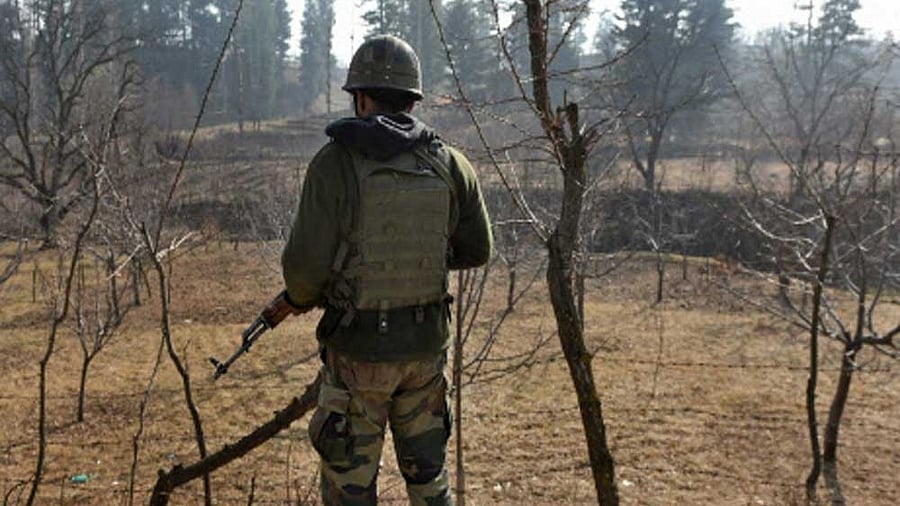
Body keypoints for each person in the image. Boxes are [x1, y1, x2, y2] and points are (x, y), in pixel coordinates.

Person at [278, 34, 493, 506]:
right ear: (412, 100)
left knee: (349, 492)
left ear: (360, 97)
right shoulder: (451, 163)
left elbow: (302, 274)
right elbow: (477, 249)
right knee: (431, 487)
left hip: (358, 357)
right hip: (425, 354)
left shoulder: (334, 164)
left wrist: (322, 286)